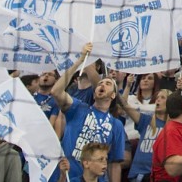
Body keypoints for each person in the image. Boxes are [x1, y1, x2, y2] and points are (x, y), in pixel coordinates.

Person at [54, 44, 128, 182]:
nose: (102, 85)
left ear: (113, 95)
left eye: (107, 84)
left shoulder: (116, 125)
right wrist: (79, 61)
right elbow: (56, 92)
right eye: (100, 83)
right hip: (68, 177)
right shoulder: (77, 108)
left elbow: (114, 164)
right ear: (94, 94)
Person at [129, 89, 168, 182]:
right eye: (157, 97)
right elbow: (125, 107)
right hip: (137, 176)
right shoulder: (146, 120)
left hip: (158, 177)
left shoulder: (172, 127)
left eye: (162, 97)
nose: (158, 100)